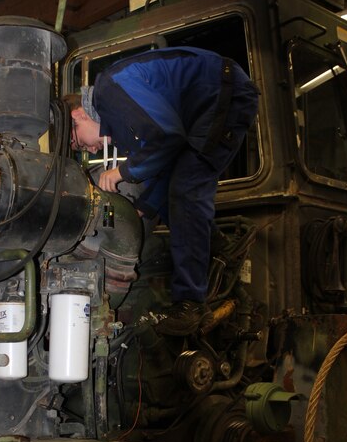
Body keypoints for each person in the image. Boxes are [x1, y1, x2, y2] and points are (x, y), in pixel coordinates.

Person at [66, 46, 259, 335]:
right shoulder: (118, 121)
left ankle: (190, 303)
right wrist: (148, 205)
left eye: (80, 142)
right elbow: (164, 165)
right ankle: (222, 253)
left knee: (185, 190)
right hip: (208, 107)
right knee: (175, 190)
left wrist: (122, 172)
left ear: (78, 114)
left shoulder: (109, 90)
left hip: (219, 93)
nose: (91, 149)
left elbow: (168, 139)